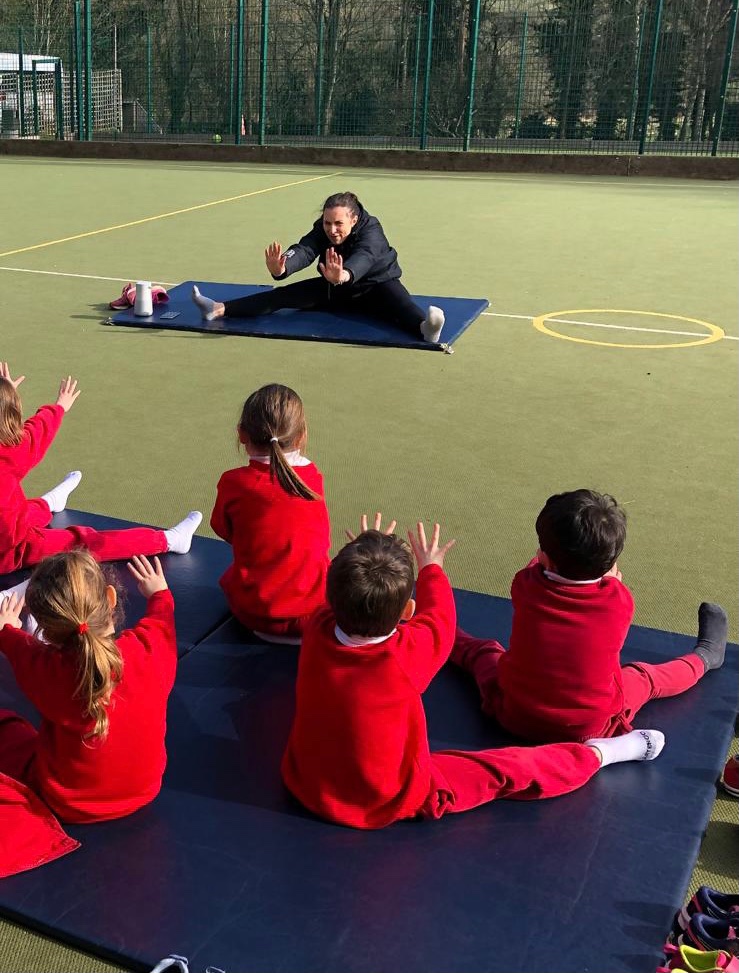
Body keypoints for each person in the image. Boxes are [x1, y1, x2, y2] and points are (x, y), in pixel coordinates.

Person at [281, 516, 665, 830]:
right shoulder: (409, 653)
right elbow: (441, 621)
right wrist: (431, 568)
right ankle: (599, 755)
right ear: (406, 613)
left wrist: (365, 552)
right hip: (388, 795)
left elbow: (416, 619)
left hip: (307, 781)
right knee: (505, 771)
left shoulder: (316, 627)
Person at [451, 489, 729, 744]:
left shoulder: (525, 584)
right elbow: (599, 587)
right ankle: (705, 657)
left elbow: (536, 568)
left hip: (515, 716)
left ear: (545, 558)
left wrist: (547, 559)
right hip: (589, 727)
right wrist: (611, 581)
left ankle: (430, 625)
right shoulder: (619, 601)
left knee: (482, 652)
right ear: (611, 563)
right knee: (645, 677)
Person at [0, 551, 177, 822]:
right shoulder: (149, 648)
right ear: (110, 597)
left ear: (46, 632)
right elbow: (161, 621)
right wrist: (159, 594)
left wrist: (7, 630)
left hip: (68, 802)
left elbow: (21, 650)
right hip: (144, 790)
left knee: (8, 728)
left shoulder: (47, 671)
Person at [0, 362, 202, 572]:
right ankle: (169, 540)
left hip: (10, 523)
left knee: (17, 507)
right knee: (85, 541)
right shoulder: (11, 452)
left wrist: (6, 396)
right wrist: (59, 407)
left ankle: (51, 502)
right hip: (11, 550)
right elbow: (36, 432)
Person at [192, 191, 446, 344]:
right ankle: (217, 309)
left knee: (400, 305)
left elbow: (366, 256)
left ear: (354, 219)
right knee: (282, 295)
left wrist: (344, 274)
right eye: (327, 223)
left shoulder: (372, 229)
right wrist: (282, 267)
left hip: (376, 286)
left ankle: (426, 329)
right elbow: (306, 248)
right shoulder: (323, 228)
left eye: (338, 223)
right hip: (334, 288)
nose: (332, 230)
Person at [210, 384, 330, 642]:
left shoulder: (235, 482)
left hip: (254, 614)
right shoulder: (313, 478)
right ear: (301, 436)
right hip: (316, 613)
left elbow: (223, 529)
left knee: (234, 575)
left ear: (242, 434)